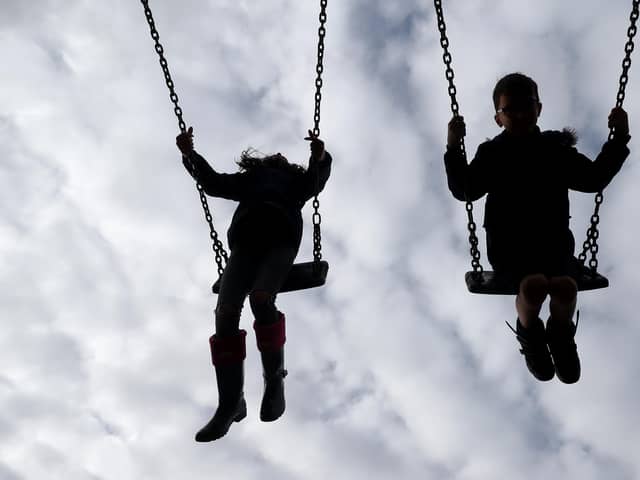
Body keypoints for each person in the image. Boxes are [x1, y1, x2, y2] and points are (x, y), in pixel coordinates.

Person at [444, 72, 630, 384]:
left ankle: (560, 336)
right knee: (531, 287)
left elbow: (594, 178)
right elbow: (466, 189)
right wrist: (453, 146)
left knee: (565, 287)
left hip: (553, 244)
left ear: (539, 109)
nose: (518, 114)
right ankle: (530, 335)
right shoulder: (492, 154)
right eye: (509, 110)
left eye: (526, 106)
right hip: (508, 247)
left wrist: (619, 138)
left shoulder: (554, 150)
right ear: (497, 118)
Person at [176, 127, 332, 441]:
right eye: (274, 156)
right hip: (245, 245)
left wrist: (319, 157)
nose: (278, 156)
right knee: (225, 312)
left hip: (280, 241)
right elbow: (214, 182)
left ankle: (274, 379)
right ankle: (231, 402)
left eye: (283, 157)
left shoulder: (296, 184)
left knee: (261, 299)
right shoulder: (249, 181)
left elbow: (316, 181)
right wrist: (190, 155)